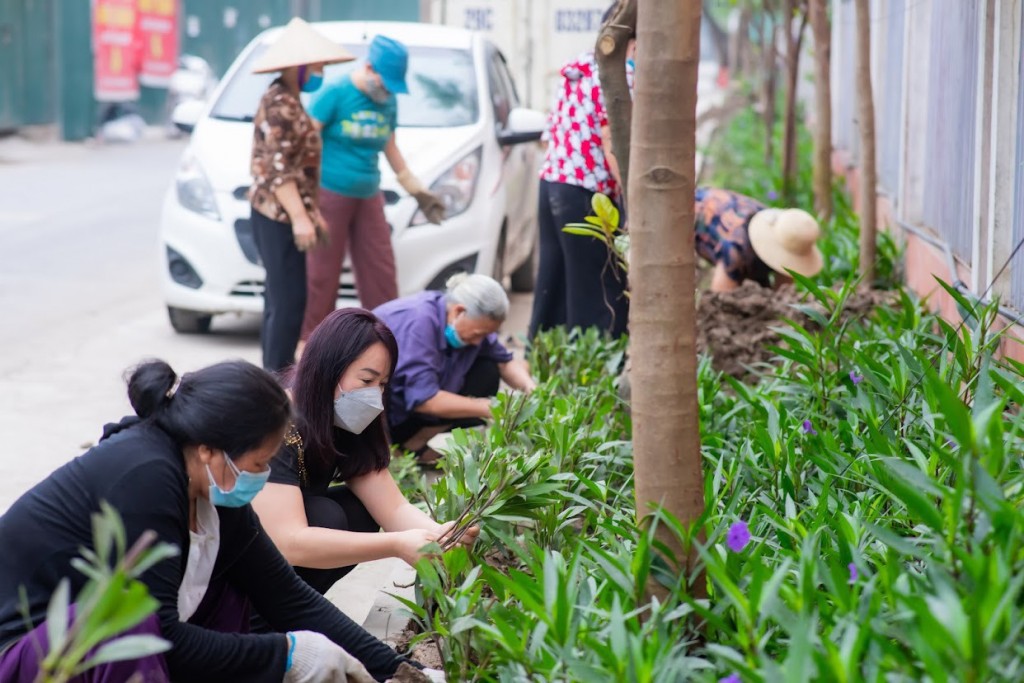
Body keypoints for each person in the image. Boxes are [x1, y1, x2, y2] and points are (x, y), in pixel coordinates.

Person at [0, 359, 419, 683]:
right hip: (25, 655)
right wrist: (287, 655)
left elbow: (286, 595)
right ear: (210, 449)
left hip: (88, 649)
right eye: (258, 463)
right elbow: (155, 635)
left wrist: (396, 670)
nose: (263, 475)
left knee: (235, 583)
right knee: (125, 622)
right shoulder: (144, 476)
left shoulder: (210, 483)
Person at [251, 308, 479, 597]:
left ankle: (292, 607)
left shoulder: (348, 420)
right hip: (237, 555)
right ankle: (261, 616)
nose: (375, 395)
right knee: (327, 516)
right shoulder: (276, 421)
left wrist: (441, 537)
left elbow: (392, 508)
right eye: (367, 380)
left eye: (382, 384)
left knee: (359, 512)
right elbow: (288, 541)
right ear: (328, 370)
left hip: (277, 547)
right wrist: (396, 545)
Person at [300, 35, 446, 347]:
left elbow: (390, 147)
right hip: (330, 192)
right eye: (385, 82)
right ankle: (314, 347)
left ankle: (385, 342)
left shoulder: (388, 101)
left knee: (380, 271)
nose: (387, 90)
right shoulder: (335, 93)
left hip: (368, 194)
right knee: (322, 275)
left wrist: (416, 189)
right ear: (368, 67)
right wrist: (306, 198)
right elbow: (306, 142)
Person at [249, 18, 354, 372]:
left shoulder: (291, 100)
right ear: (300, 67)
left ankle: (273, 377)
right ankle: (277, 381)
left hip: (287, 210)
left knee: (282, 299)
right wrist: (298, 216)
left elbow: (299, 165)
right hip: (275, 214)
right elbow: (279, 168)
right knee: (288, 300)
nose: (322, 71)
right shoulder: (278, 103)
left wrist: (311, 211)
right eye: (319, 65)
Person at [528, 4, 635, 341]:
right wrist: (633, 200)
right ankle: (595, 372)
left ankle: (546, 361)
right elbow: (611, 142)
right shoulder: (618, 74)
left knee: (555, 281)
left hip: (552, 185)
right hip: (586, 193)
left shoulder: (577, 67)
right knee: (597, 287)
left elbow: (551, 135)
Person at [374, 274, 536, 463]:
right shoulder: (420, 322)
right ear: (459, 311)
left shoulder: (471, 323)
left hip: (409, 406)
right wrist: (489, 407)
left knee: (487, 372)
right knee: (474, 402)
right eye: (478, 334)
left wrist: (530, 388)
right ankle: (388, 451)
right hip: (383, 415)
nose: (478, 342)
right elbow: (423, 399)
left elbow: (504, 361)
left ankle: (413, 445)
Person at [694, 186, 823, 291]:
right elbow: (719, 301)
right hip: (687, 213)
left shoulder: (782, 230)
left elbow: (783, 292)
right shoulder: (736, 250)